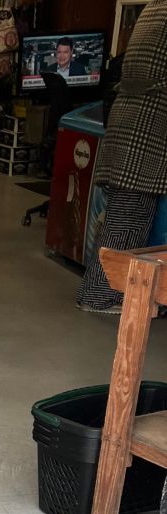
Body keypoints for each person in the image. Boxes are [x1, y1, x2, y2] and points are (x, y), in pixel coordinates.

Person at [77, 1, 167, 313]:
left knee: (119, 219)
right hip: (148, 133)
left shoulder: (154, 8)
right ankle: (100, 296)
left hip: (128, 124)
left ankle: (97, 291)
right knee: (128, 222)